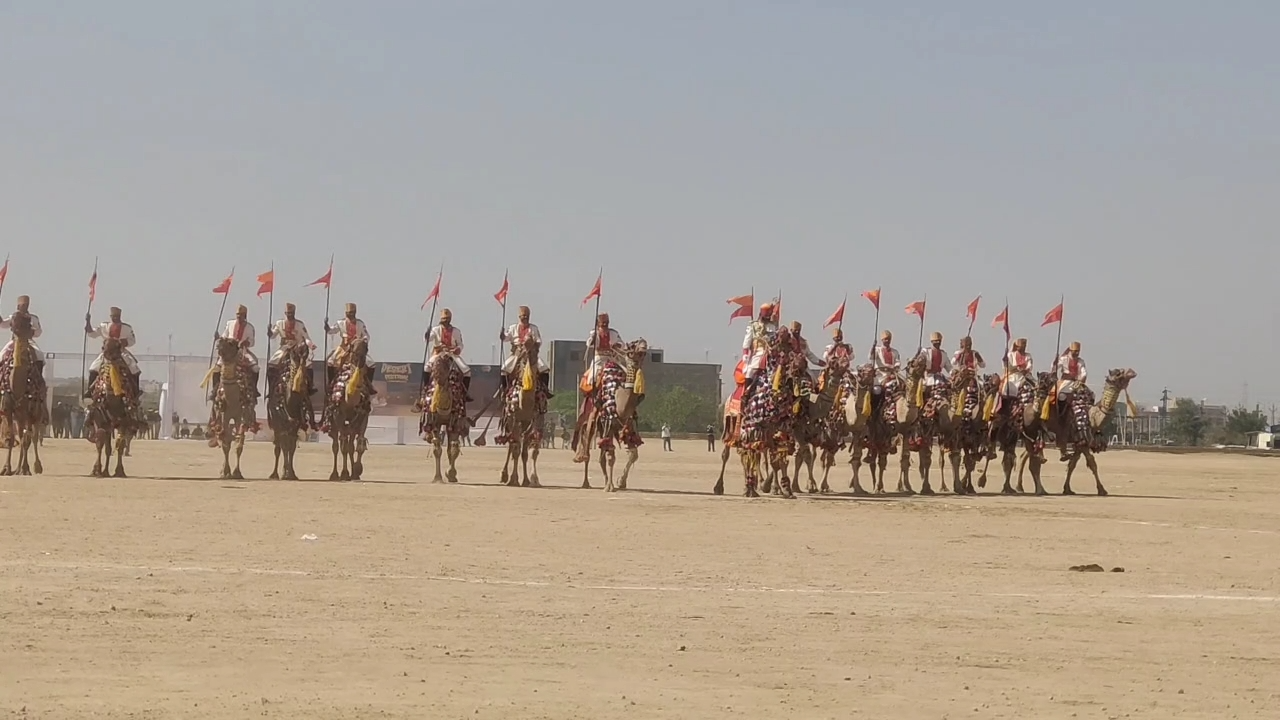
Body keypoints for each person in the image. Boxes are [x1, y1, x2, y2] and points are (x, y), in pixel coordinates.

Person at [84, 306, 141, 399]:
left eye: (116, 316)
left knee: (134, 368)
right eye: (113, 316)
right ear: (110, 316)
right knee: (93, 368)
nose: (114, 318)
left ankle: (136, 392)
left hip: (121, 352)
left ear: (119, 316)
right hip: (106, 354)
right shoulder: (104, 326)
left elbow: (132, 340)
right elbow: (92, 333)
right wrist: (88, 322)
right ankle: (90, 392)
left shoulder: (126, 328)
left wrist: (122, 342)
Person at [498, 305, 551, 397]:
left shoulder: (534, 328)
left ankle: (545, 390)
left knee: (544, 369)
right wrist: (502, 334)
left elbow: (538, 341)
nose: (525, 318)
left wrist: (532, 344)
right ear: (519, 317)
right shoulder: (513, 328)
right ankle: (505, 390)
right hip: (517, 353)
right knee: (504, 369)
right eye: (523, 316)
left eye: (526, 316)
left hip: (531, 354)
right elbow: (506, 338)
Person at [324, 302, 376, 396]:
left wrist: (362, 342)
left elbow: (366, 336)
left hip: (357, 350)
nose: (350, 314)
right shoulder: (340, 323)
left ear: (355, 312)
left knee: (371, 364)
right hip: (343, 348)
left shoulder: (360, 324)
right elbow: (331, 331)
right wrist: (326, 326)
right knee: (330, 362)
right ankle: (331, 384)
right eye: (348, 312)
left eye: (352, 312)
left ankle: (369, 386)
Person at [210, 304, 259, 402]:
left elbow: (252, 341)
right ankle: (214, 390)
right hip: (229, 352)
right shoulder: (230, 324)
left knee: (255, 368)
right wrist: (218, 337)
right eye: (237, 315)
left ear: (245, 316)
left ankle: (253, 390)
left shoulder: (249, 327)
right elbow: (224, 337)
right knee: (215, 369)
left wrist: (246, 342)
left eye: (241, 315)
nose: (239, 317)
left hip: (243, 352)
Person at [267, 302, 318, 394]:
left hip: (297, 349)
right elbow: (273, 336)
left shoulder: (300, 324)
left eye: (291, 313)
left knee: (308, 365)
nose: (290, 315)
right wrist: (269, 331)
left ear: (294, 313)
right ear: (285, 313)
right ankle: (271, 388)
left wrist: (311, 345)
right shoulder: (279, 323)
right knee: (271, 364)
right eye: (288, 313)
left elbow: (306, 337)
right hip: (284, 348)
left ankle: (310, 386)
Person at [427, 308, 472, 402]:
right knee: (426, 368)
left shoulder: (456, 331)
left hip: (452, 354)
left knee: (467, 371)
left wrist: (458, 349)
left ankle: (465, 394)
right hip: (439, 354)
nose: (445, 321)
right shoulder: (435, 330)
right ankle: (425, 391)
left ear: (450, 319)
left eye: (447, 319)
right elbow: (429, 338)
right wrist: (427, 334)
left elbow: (460, 344)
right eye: (444, 319)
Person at [0, 295, 45, 376]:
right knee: (2, 354)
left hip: (28, 341)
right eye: (23, 305)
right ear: (18, 306)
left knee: (40, 355)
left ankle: (38, 377)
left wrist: (32, 332)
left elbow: (39, 332)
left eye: (26, 305)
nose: (25, 306)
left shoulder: (33, 318)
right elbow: (3, 325)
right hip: (15, 341)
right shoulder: (13, 317)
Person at [585, 312, 625, 389]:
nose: (605, 324)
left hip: (611, 359)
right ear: (598, 323)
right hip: (599, 360)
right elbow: (589, 344)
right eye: (603, 322)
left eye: (606, 322)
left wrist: (617, 345)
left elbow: (621, 343)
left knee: (623, 373)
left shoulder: (613, 333)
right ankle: (594, 393)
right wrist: (593, 339)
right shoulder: (594, 333)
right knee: (593, 377)